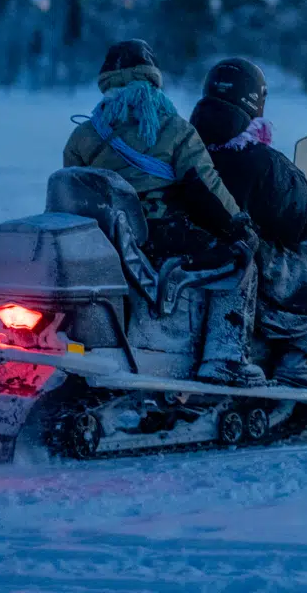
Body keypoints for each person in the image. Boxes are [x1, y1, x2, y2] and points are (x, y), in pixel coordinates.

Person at [63, 40, 266, 386]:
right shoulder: (171, 127)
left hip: (105, 242)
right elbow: (206, 187)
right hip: (162, 236)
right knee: (240, 263)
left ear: (106, 81)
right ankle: (225, 358)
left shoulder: (82, 136)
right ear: (153, 78)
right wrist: (240, 228)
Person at [190, 58, 307, 388]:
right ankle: (298, 363)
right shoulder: (257, 158)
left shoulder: (188, 148)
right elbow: (301, 223)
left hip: (202, 256)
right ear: (253, 100)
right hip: (250, 263)